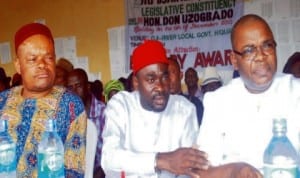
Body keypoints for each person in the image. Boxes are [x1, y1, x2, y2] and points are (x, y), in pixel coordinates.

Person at [101, 40, 260, 178]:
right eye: (151, 79)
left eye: (164, 77)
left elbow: (193, 166)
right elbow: (109, 158)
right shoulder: (121, 105)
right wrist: (162, 160)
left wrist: (234, 171)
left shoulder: (184, 109)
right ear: (136, 82)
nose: (160, 86)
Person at [196, 14, 300, 174]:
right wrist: (233, 171)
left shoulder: (295, 91)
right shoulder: (217, 101)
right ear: (234, 61)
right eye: (249, 50)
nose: (261, 56)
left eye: (267, 45)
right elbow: (201, 170)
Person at [0, 23, 87, 177]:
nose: (42, 65)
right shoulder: (3, 101)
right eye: (33, 59)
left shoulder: (71, 105)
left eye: (49, 58)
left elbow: (74, 170)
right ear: (18, 65)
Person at [67, 68, 106, 178]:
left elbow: (108, 154)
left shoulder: (103, 112)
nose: (74, 92)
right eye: (70, 88)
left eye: (78, 86)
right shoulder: (67, 115)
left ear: (88, 87)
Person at [168, 57, 204, 127]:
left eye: (172, 72)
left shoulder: (194, 103)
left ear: (181, 75)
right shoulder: (158, 107)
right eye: (166, 74)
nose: (169, 77)